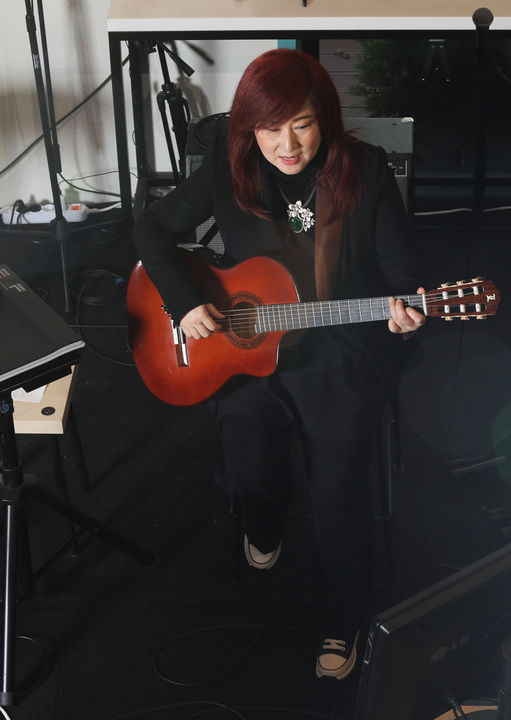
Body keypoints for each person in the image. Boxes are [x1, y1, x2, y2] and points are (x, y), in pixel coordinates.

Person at [132, 48, 426, 680]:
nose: (286, 145)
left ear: (325, 118)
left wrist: (406, 309)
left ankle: (340, 622)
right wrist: (184, 303)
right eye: (269, 128)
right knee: (248, 474)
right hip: (248, 352)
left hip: (337, 352)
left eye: (301, 125)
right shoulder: (228, 165)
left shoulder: (364, 171)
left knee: (338, 501)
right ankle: (263, 522)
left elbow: (403, 270)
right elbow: (150, 230)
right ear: (249, 127)